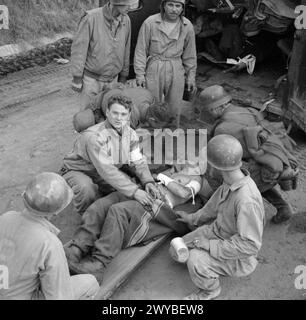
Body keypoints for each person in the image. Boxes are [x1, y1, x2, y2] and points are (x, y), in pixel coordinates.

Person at [64, 154, 209, 283]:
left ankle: (99, 264)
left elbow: (183, 193)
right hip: (141, 192)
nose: (186, 161)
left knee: (118, 212)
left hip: (157, 203)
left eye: (194, 161)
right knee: (100, 206)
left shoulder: (196, 179)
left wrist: (161, 177)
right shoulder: (173, 169)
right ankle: (78, 248)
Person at [173, 135, 265, 300]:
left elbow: (250, 245)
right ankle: (207, 263)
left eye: (206, 163)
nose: (204, 167)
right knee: (179, 249)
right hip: (217, 232)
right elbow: (212, 207)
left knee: (195, 260)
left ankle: (210, 291)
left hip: (239, 255)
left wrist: (209, 245)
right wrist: (191, 218)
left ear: (216, 167)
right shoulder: (230, 181)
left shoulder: (246, 200)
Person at [199, 85, 299, 224]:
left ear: (216, 108)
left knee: (216, 174)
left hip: (265, 168)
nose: (209, 113)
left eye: (209, 110)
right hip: (274, 162)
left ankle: (228, 212)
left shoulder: (223, 128)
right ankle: (283, 208)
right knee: (255, 180)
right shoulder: (247, 110)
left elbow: (225, 159)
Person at [0, 172, 99, 300]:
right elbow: (57, 296)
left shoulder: (6, 217)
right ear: (57, 211)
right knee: (90, 283)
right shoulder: (49, 243)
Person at [60, 94, 159, 214]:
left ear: (129, 115)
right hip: (78, 170)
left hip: (101, 171)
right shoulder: (94, 137)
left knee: (128, 188)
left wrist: (148, 181)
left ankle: (103, 195)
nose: (118, 118)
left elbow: (137, 160)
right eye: (115, 113)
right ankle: (86, 216)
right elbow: (107, 171)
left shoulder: (131, 134)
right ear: (107, 112)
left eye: (123, 114)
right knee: (87, 189)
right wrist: (135, 191)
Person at [134, 0, 197, 119]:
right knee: (152, 103)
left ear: (182, 8)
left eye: (178, 6)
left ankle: (171, 132)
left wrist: (191, 76)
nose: (174, 9)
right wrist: (140, 74)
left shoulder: (187, 26)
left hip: (176, 66)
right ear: (163, 6)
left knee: (174, 105)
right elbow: (141, 50)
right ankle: (151, 132)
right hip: (154, 65)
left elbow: (190, 55)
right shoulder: (150, 22)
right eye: (170, 5)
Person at [71, 0, 134, 110]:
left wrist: (124, 76)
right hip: (91, 81)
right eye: (128, 3)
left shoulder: (126, 20)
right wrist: (77, 77)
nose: (131, 7)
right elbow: (79, 49)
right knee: (87, 117)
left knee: (109, 117)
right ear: (116, 2)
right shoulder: (91, 17)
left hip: (113, 80)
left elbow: (126, 48)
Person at [73, 84, 172, 132]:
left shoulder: (149, 96)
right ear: (151, 119)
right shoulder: (128, 118)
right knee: (82, 122)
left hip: (112, 102)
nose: (157, 129)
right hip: (98, 107)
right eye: (157, 126)